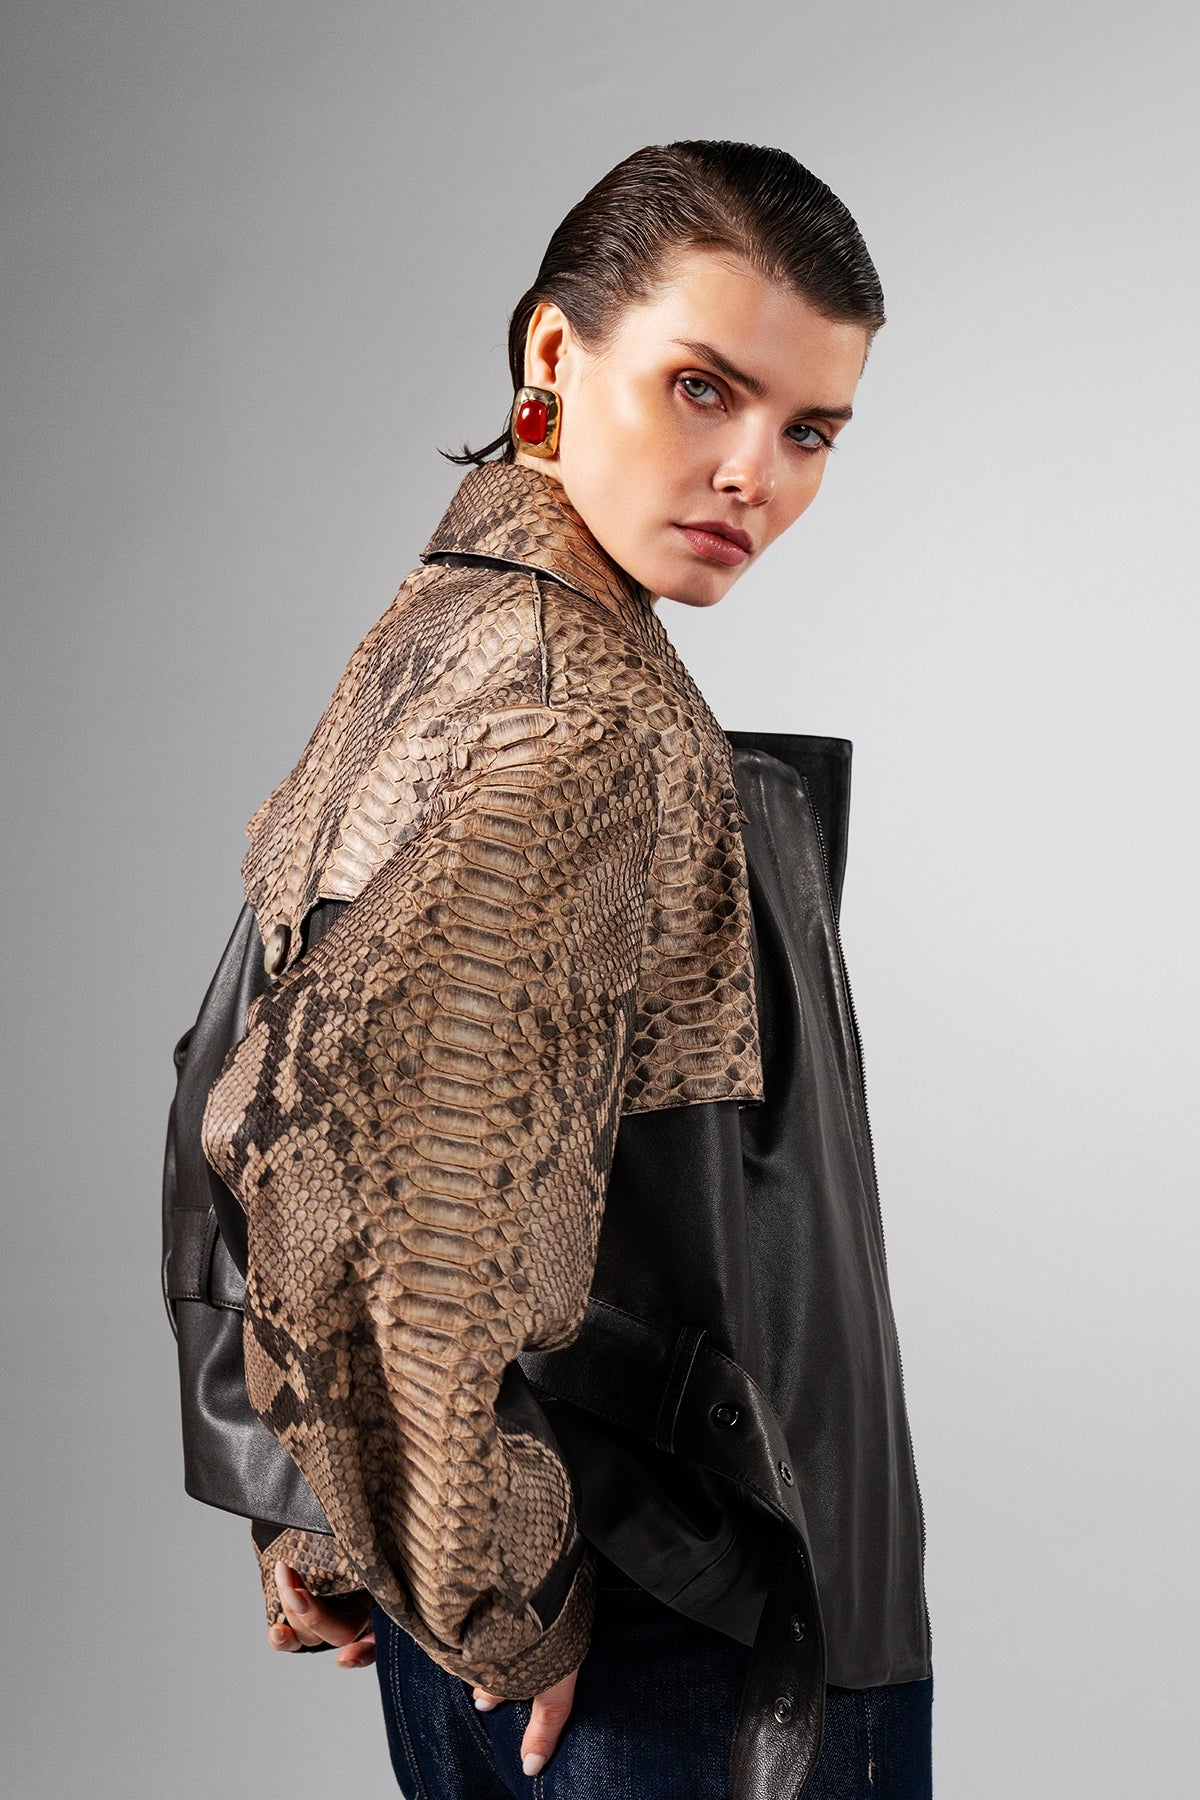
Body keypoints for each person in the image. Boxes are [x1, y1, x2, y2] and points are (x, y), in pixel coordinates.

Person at [163, 140, 932, 1799]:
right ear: (553, 352)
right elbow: (399, 1215)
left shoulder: (437, 642)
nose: (754, 474)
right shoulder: (575, 717)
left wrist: (322, 1504)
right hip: (666, 1645)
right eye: (703, 388)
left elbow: (246, 1094)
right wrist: (494, 1598)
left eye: (810, 430)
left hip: (557, 1600)